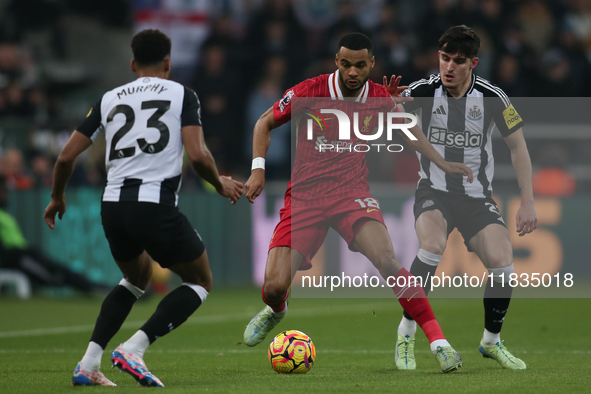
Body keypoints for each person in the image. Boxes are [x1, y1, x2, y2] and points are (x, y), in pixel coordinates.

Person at [243, 33, 475, 373]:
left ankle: (439, 343)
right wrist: (258, 171)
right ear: (337, 62)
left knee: (388, 260)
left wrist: (441, 162)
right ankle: (277, 311)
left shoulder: (380, 96)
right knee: (274, 286)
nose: (353, 72)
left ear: (372, 64)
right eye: (346, 64)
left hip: (351, 195)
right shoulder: (310, 90)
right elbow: (264, 122)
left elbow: (407, 128)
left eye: (360, 65)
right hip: (304, 199)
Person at [43, 29, 243, 387]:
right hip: (152, 203)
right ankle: (134, 348)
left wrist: (58, 197)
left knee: (136, 278)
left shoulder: (109, 98)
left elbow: (64, 157)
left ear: (133, 64)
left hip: (112, 206)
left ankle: (89, 363)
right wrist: (219, 182)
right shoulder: (183, 94)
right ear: (168, 62)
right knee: (200, 280)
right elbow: (197, 154)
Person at [393, 25, 538, 371]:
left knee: (503, 264)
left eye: (458, 61)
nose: (448, 67)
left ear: (473, 63)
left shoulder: (493, 97)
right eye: (444, 58)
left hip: (476, 197)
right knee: (431, 245)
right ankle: (406, 333)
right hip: (434, 190)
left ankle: (491, 341)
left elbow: (518, 147)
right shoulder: (422, 91)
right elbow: (398, 125)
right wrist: (393, 106)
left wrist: (528, 202)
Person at [0, 176, 108, 295]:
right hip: (14, 257)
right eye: (3, 191)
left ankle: (91, 286)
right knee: (53, 275)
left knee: (59, 269)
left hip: (24, 252)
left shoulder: (4, 214)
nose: (5, 195)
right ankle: (90, 288)